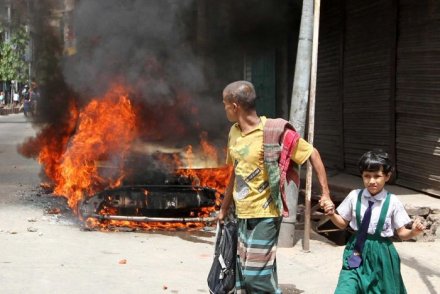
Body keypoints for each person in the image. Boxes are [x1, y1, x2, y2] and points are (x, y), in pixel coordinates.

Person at [218, 80, 333, 293]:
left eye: (225, 104)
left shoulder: (274, 131)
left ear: (235, 106)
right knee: (245, 273)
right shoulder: (234, 133)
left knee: (255, 278)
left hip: (267, 214)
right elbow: (236, 171)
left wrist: (326, 194)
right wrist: (225, 208)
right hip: (242, 213)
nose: (224, 109)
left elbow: (312, 154)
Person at [321, 150, 425, 293]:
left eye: (377, 176)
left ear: (387, 176)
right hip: (356, 249)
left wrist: (414, 232)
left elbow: (401, 233)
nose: (371, 181)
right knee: (345, 288)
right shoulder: (354, 196)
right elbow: (343, 224)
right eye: (367, 176)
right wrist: (332, 214)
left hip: (382, 255)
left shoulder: (392, 201)